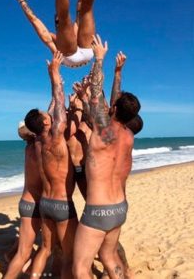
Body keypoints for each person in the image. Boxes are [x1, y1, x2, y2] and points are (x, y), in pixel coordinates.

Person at [73, 34, 141, 279]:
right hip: (120, 207)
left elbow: (96, 92)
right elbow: (113, 103)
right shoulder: (128, 135)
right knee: (109, 257)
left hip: (98, 211)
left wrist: (98, 60)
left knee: (80, 267)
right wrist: (118, 72)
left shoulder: (102, 131)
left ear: (112, 109)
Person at [24, 51, 78, 278]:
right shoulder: (56, 136)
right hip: (62, 204)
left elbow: (54, 105)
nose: (49, 114)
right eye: (45, 114)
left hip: (45, 203)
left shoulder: (36, 141)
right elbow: (59, 103)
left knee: (45, 249)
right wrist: (54, 73)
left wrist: (57, 90)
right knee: (69, 255)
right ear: (46, 121)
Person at [10, 0, 96, 68]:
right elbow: (34, 20)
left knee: (85, 7)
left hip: (84, 53)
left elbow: (81, 0)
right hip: (71, 57)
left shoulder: (75, 26)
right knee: (64, 17)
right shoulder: (53, 38)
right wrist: (21, 0)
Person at [4, 122, 42, 279]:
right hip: (34, 205)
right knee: (25, 252)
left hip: (27, 202)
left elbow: (23, 131)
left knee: (23, 250)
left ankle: (20, 264)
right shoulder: (40, 148)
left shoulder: (29, 148)